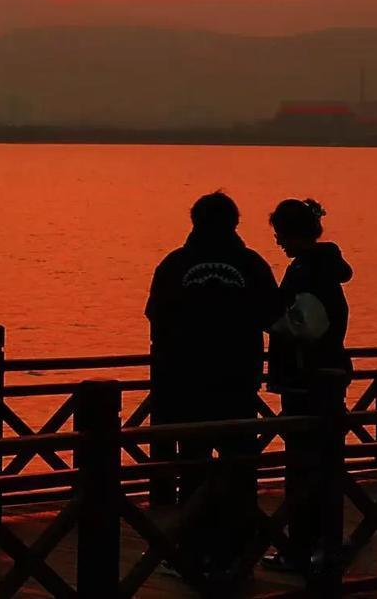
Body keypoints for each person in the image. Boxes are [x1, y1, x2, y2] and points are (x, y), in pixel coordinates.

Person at [145, 191, 282, 581]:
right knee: (241, 465)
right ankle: (241, 550)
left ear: (194, 221)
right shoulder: (251, 263)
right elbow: (273, 315)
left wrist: (165, 378)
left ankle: (191, 551)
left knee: (193, 467)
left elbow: (157, 320)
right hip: (238, 380)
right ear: (235, 224)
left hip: (186, 383)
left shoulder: (175, 263)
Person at [263, 197, 354, 573]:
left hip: (307, 380)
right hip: (328, 375)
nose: (278, 242)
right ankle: (326, 544)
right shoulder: (325, 268)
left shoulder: (307, 271)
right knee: (327, 463)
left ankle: (302, 548)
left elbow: (305, 326)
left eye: (281, 235)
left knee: (303, 465)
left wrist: (268, 317)